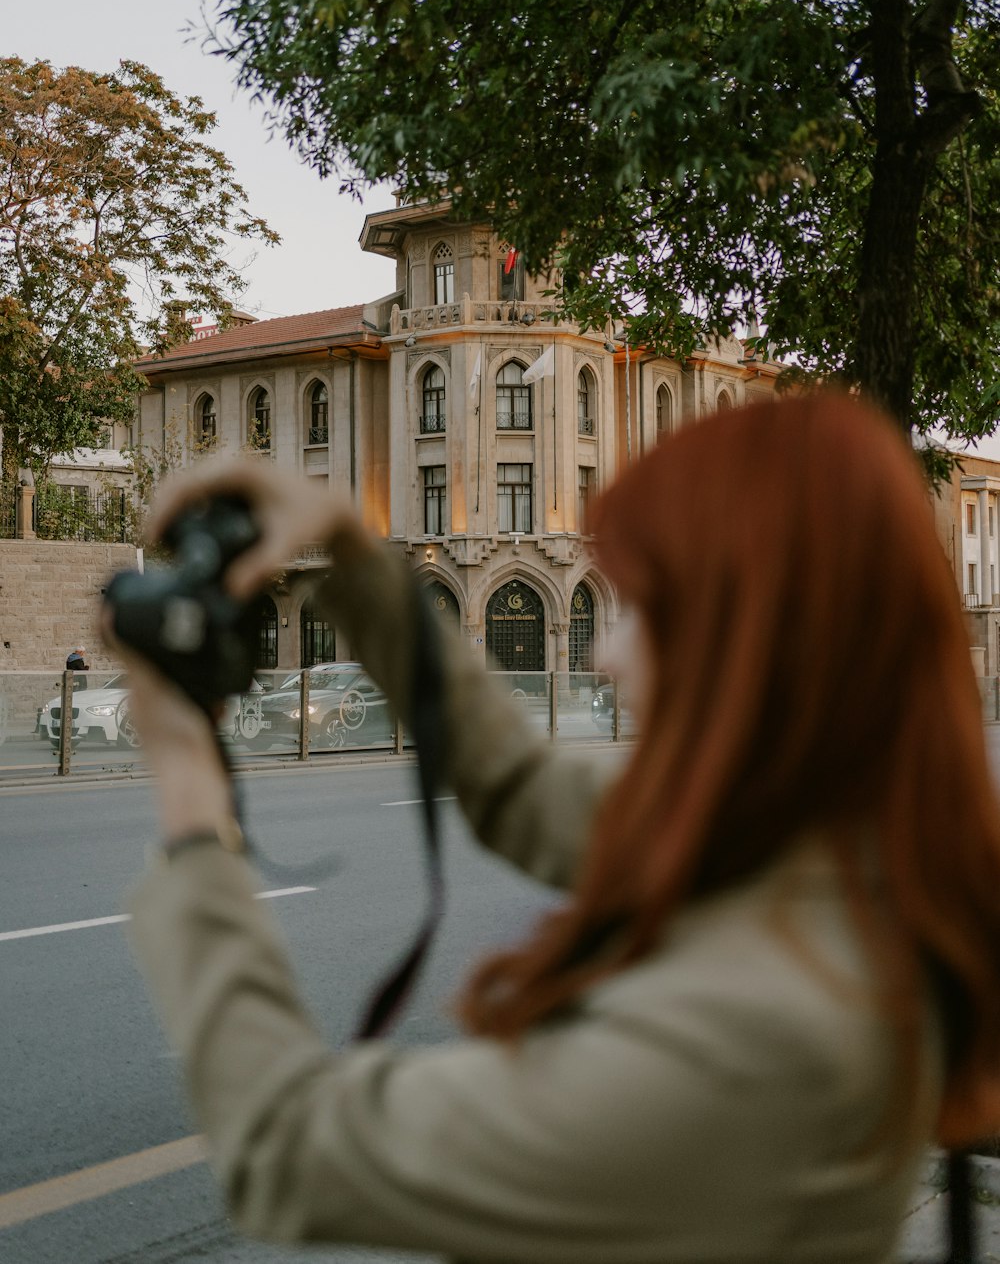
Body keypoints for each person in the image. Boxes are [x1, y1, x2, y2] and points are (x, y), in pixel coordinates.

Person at [114, 392, 1000, 1264]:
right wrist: (347, 548)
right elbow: (514, 784)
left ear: (752, 635)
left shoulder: (753, 1041)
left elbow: (288, 1150)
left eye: (644, 607)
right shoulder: (813, 850)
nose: (605, 655)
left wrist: (194, 808)